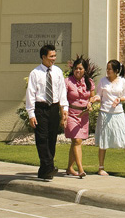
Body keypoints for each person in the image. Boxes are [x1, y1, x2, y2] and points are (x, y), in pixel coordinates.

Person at [25, 44, 67, 180]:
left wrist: (64, 109)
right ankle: (49, 165)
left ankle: (44, 171)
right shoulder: (35, 73)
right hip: (40, 108)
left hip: (54, 108)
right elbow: (30, 94)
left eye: (55, 56)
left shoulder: (58, 72)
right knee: (42, 138)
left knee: (52, 138)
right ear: (43, 57)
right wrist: (31, 114)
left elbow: (62, 91)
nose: (54, 59)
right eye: (51, 56)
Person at [95, 60, 125, 176]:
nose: (108, 71)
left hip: (118, 113)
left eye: (110, 69)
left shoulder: (122, 81)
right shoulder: (102, 81)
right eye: (107, 68)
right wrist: (94, 99)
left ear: (116, 71)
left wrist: (119, 99)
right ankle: (101, 167)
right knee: (103, 141)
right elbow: (98, 95)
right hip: (105, 113)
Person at [64, 56, 98, 178]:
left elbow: (92, 97)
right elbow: (62, 98)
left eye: (80, 68)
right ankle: (81, 169)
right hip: (71, 114)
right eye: (75, 68)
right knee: (77, 140)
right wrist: (63, 115)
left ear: (85, 70)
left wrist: (90, 103)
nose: (77, 71)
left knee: (76, 142)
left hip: (84, 115)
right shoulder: (67, 81)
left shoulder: (89, 82)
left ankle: (69, 168)